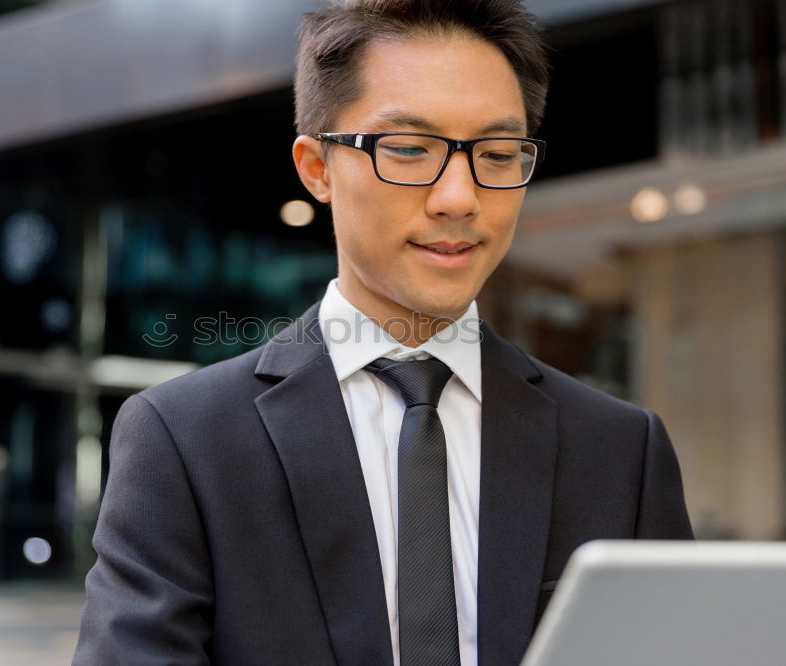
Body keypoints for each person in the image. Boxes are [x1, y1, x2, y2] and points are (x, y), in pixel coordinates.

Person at [73, 1, 693, 664]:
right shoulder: (185, 442)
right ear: (316, 168)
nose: (459, 196)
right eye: (407, 149)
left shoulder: (621, 451)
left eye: (498, 152)